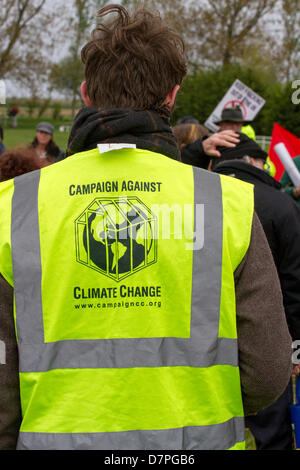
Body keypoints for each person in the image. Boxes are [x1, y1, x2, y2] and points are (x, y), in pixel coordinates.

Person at [0, 5, 292, 450]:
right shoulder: (225, 204)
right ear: (172, 97)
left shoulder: (13, 206)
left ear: (85, 93)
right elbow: (268, 370)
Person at [212, 133, 300, 450]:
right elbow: (294, 280)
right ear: (256, 162)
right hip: (267, 332)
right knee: (272, 429)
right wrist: (296, 343)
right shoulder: (280, 203)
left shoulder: (197, 197)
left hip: (205, 338)